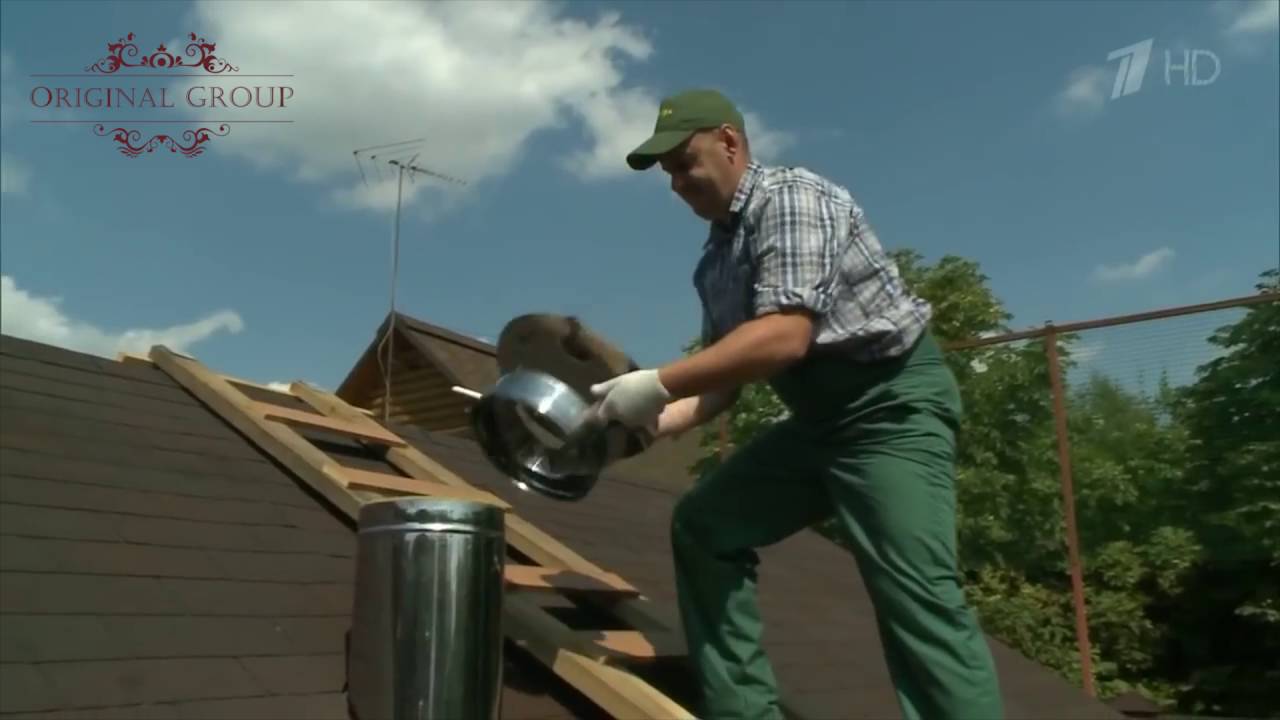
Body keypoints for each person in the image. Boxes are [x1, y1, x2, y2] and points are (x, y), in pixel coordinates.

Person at [587, 88, 1006, 720]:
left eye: (683, 161)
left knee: (915, 592)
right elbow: (721, 383)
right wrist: (638, 427)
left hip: (888, 405)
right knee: (705, 526)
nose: (676, 183)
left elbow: (784, 336)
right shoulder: (714, 262)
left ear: (729, 142)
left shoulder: (792, 198)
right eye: (666, 172)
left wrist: (657, 380)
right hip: (816, 422)